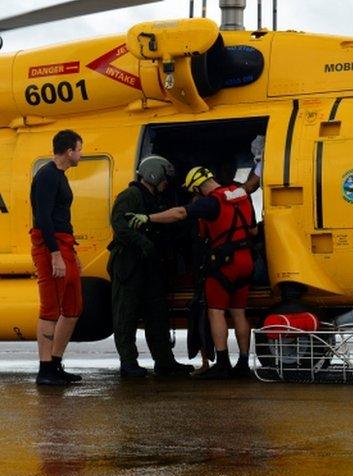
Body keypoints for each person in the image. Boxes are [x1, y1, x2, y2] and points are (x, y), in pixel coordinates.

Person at [127, 166, 257, 379]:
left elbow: (179, 213)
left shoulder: (211, 202)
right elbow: (253, 230)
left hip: (225, 264)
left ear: (198, 185)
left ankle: (223, 364)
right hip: (246, 259)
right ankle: (243, 364)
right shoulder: (240, 194)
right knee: (239, 313)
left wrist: (148, 218)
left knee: (216, 312)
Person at [107, 156, 194, 378]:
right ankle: (128, 364)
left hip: (151, 266)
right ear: (153, 174)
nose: (167, 183)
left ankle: (164, 362)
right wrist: (145, 245)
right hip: (129, 265)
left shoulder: (156, 199)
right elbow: (120, 226)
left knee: (158, 314)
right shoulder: (131, 196)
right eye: (165, 178)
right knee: (126, 315)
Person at [30, 129, 85, 386]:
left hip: (64, 244)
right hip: (50, 245)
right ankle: (45, 369)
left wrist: (71, 254)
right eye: (80, 149)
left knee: (73, 307)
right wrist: (55, 255)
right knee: (50, 307)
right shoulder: (47, 176)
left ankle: (55, 362)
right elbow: (43, 218)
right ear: (69, 151)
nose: (81, 154)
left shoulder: (61, 176)